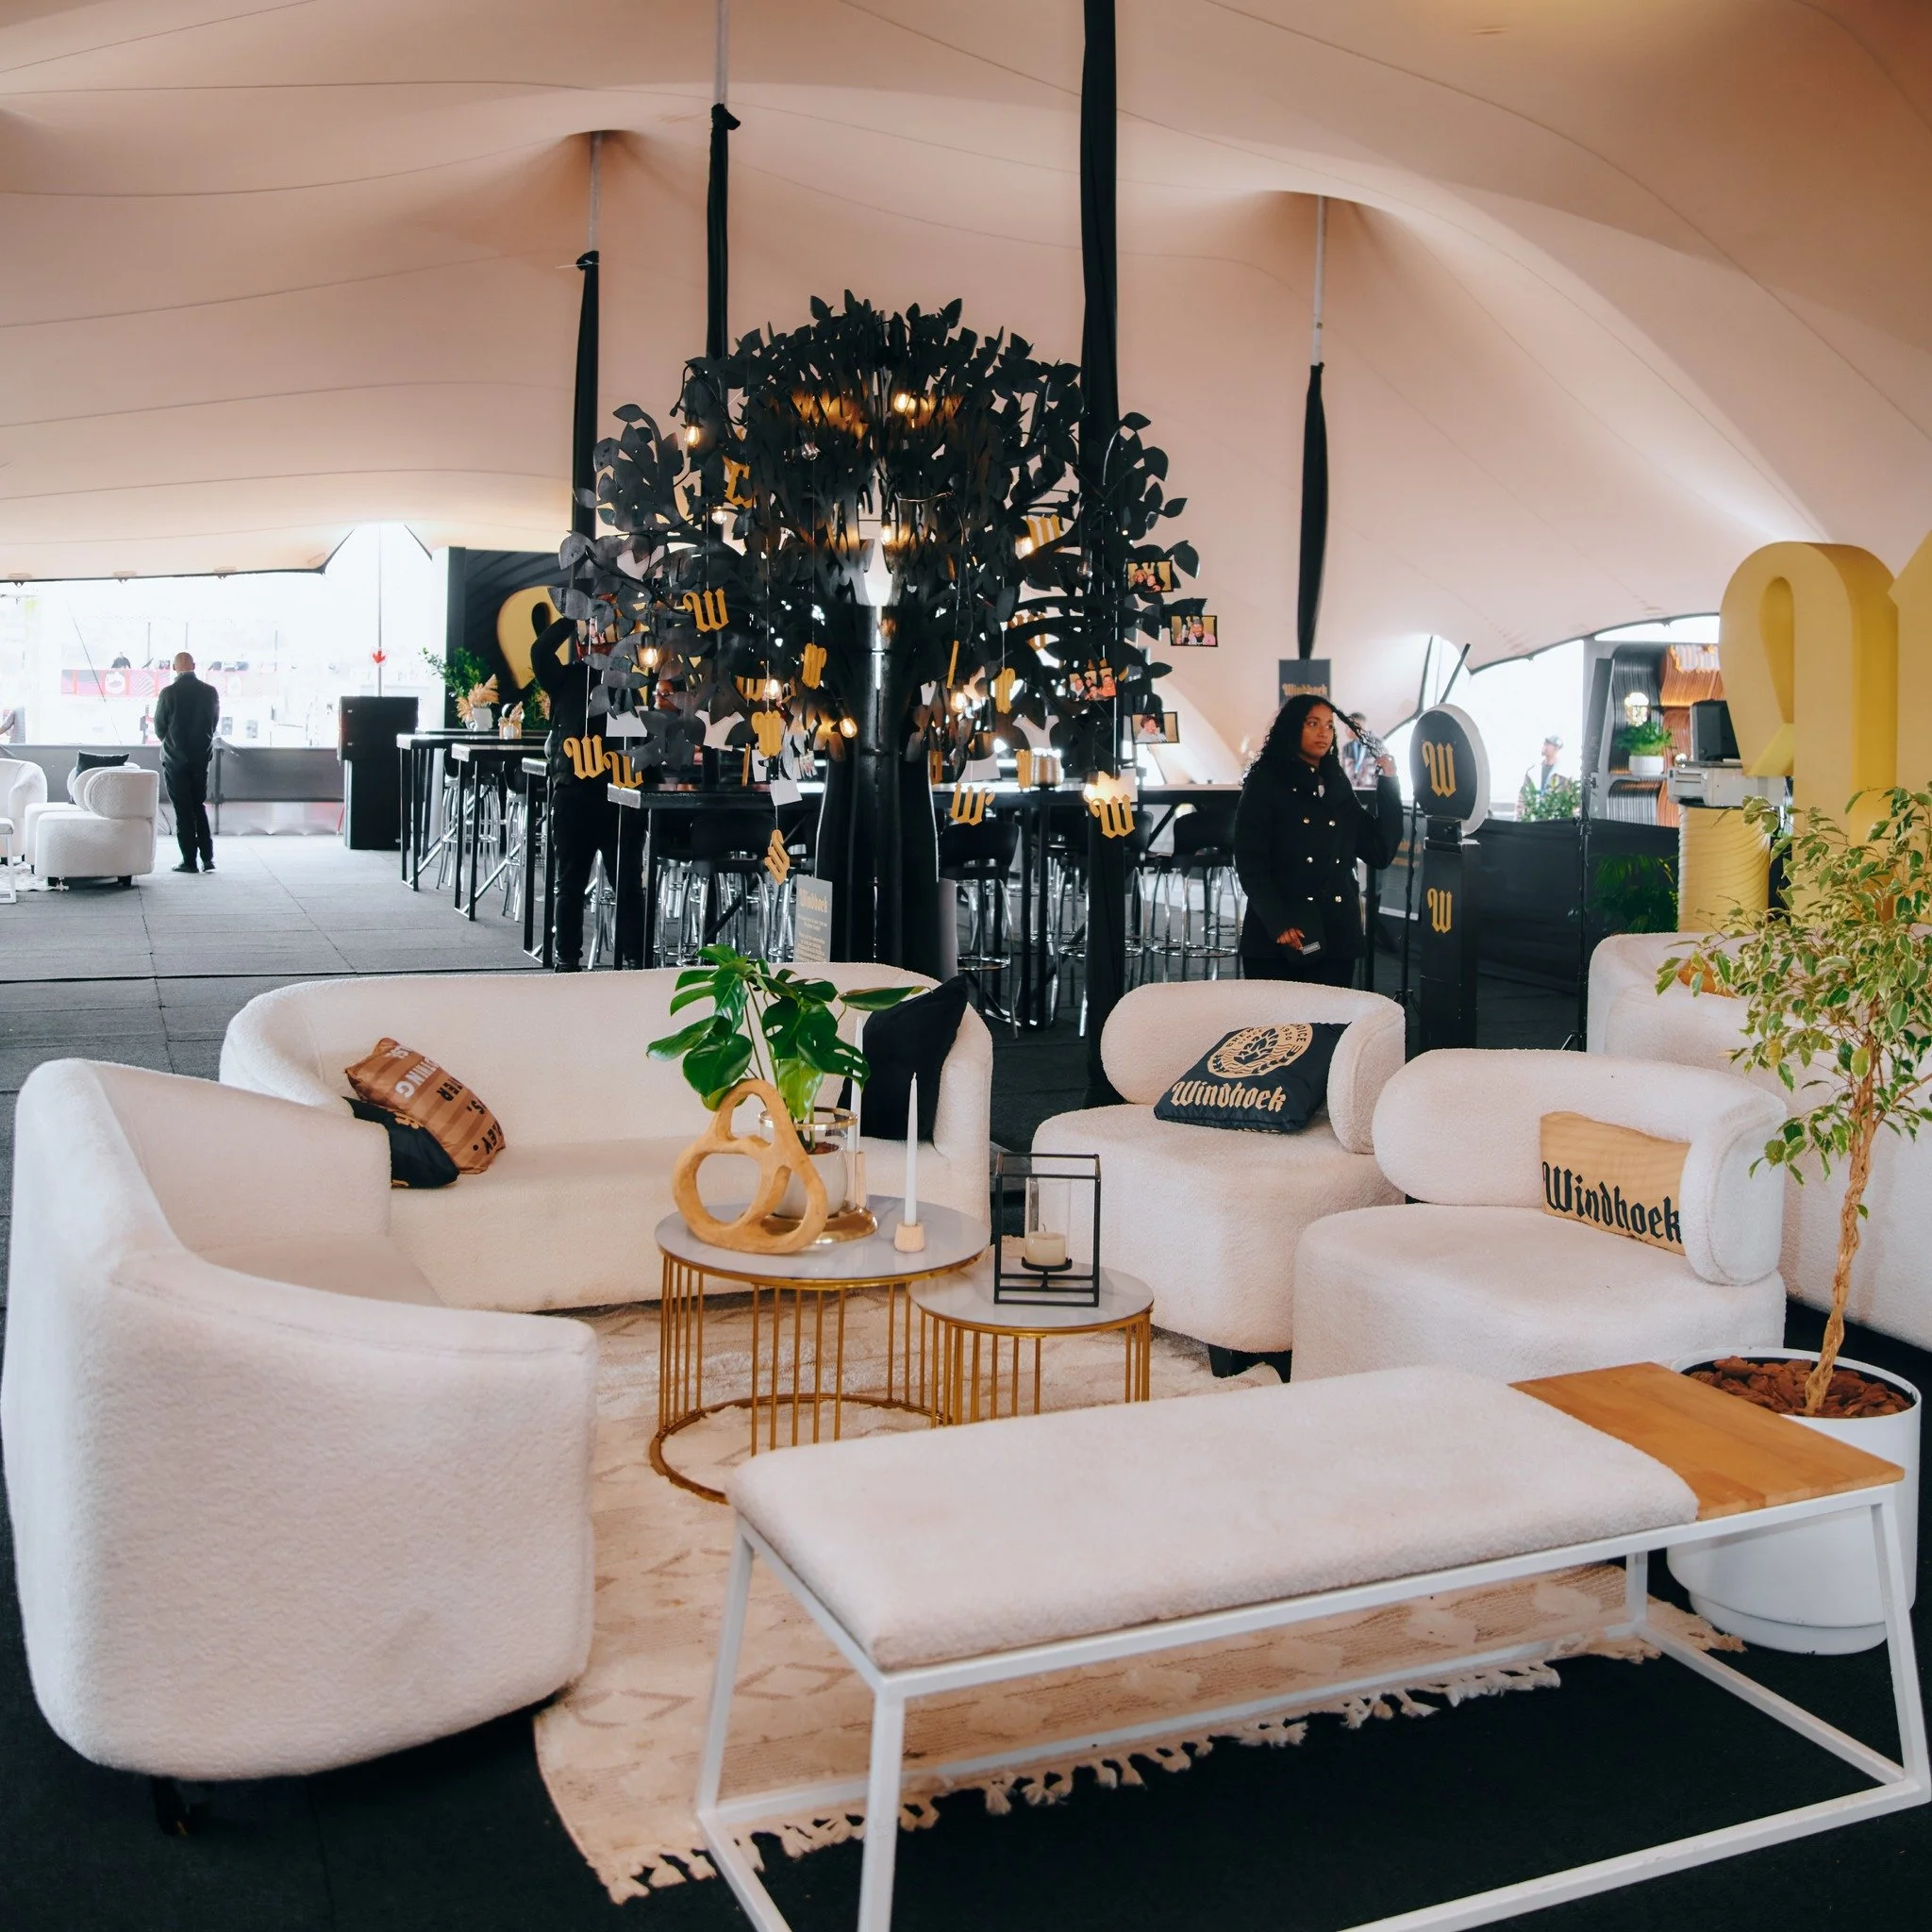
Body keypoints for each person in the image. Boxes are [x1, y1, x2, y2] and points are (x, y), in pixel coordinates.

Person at [1235, 693, 1401, 984]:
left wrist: (1389, 783)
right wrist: (1278, 922)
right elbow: (1250, 863)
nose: (1323, 732)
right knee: (1278, 1027)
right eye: (1312, 723)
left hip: (1336, 931)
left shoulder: (1336, 781)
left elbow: (1378, 851)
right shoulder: (1265, 782)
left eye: (1328, 725)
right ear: (1292, 727)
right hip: (1283, 934)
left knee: (1331, 1024)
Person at [530, 603, 642, 971]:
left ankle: (634, 958)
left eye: (609, 636)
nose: (600, 641)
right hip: (574, 794)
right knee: (570, 883)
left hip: (619, 798)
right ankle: (568, 961)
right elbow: (540, 651)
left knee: (627, 883)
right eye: (595, 633)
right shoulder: (564, 678)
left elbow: (642, 741)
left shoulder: (628, 684)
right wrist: (574, 614)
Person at [151, 651, 220, 874]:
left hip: (175, 760)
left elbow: (160, 727)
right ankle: (208, 858)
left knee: (183, 809)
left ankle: (189, 860)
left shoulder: (169, 693)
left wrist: (172, 743)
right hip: (201, 759)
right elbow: (213, 723)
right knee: (198, 806)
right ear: (194, 665)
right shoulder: (210, 692)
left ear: (174, 668)